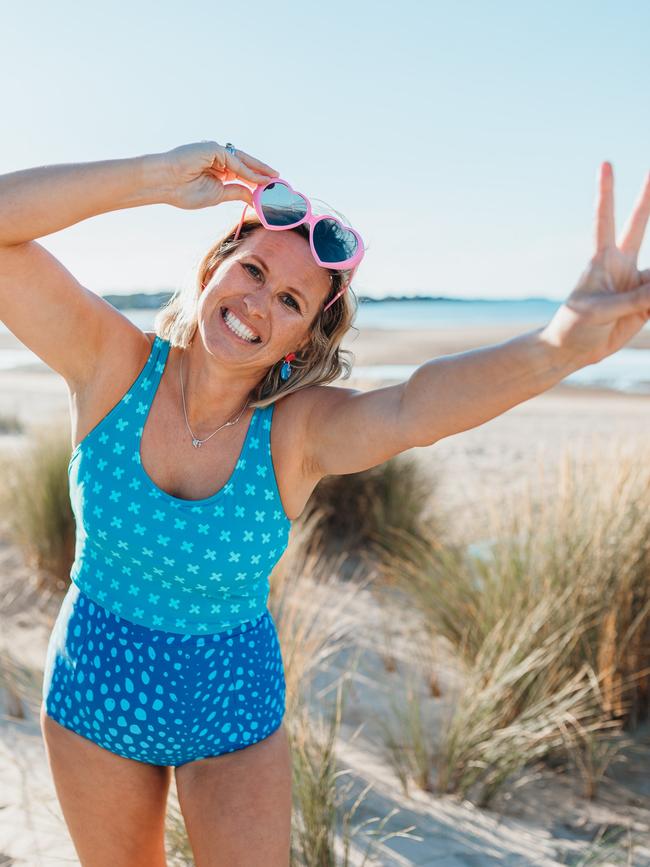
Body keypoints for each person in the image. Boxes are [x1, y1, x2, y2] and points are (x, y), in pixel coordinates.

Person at [0, 141, 648, 867]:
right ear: (214, 265)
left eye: (289, 301)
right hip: (95, 695)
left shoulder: (296, 434)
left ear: (301, 340)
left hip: (230, 714)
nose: (255, 304)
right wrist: (155, 179)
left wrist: (559, 345)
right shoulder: (110, 363)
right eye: (253, 269)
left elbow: (415, 407)